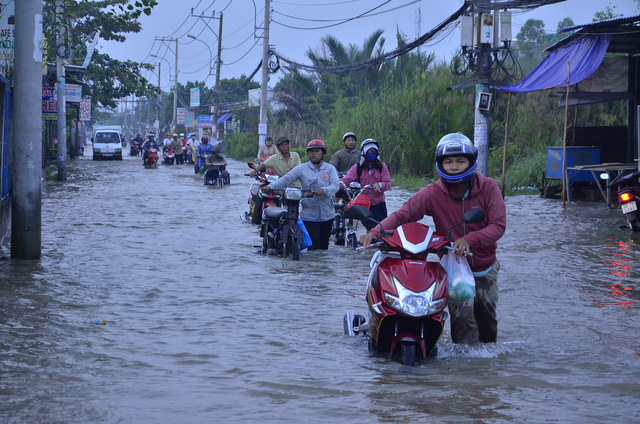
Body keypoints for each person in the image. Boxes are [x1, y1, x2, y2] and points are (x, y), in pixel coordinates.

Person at [360, 133, 507, 345]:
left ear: (471, 162)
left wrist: (469, 239)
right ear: (441, 164)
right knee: (461, 318)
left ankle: (485, 368)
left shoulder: (488, 187)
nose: (454, 166)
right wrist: (375, 232)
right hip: (453, 265)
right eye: (448, 162)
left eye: (460, 160)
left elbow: (498, 226)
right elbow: (404, 214)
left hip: (484, 265)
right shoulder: (433, 192)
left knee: (486, 316)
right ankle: (464, 367)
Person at [262, 139, 340, 250]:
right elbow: (286, 179)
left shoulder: (330, 169)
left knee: (324, 246)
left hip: (327, 214)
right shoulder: (302, 168)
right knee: (313, 242)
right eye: (311, 151)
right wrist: (270, 187)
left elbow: (335, 185)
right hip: (308, 214)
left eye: (317, 151)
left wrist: (324, 190)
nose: (313, 153)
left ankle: (321, 267)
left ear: (323, 153)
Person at [340, 139, 391, 233]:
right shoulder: (358, 167)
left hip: (379, 203)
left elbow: (387, 183)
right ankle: (367, 244)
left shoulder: (382, 167)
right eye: (370, 151)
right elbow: (347, 179)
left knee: (382, 227)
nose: (373, 153)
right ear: (364, 152)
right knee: (369, 228)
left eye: (374, 151)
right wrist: (337, 185)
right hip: (365, 203)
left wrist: (380, 185)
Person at [249, 136, 302, 224]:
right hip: (281, 187)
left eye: (286, 145)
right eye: (282, 145)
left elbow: (299, 169)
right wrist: (254, 171)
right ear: (279, 147)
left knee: (296, 209)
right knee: (261, 192)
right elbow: (264, 165)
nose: (285, 147)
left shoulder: (295, 156)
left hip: (295, 187)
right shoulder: (274, 158)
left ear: (289, 146)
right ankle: (256, 220)